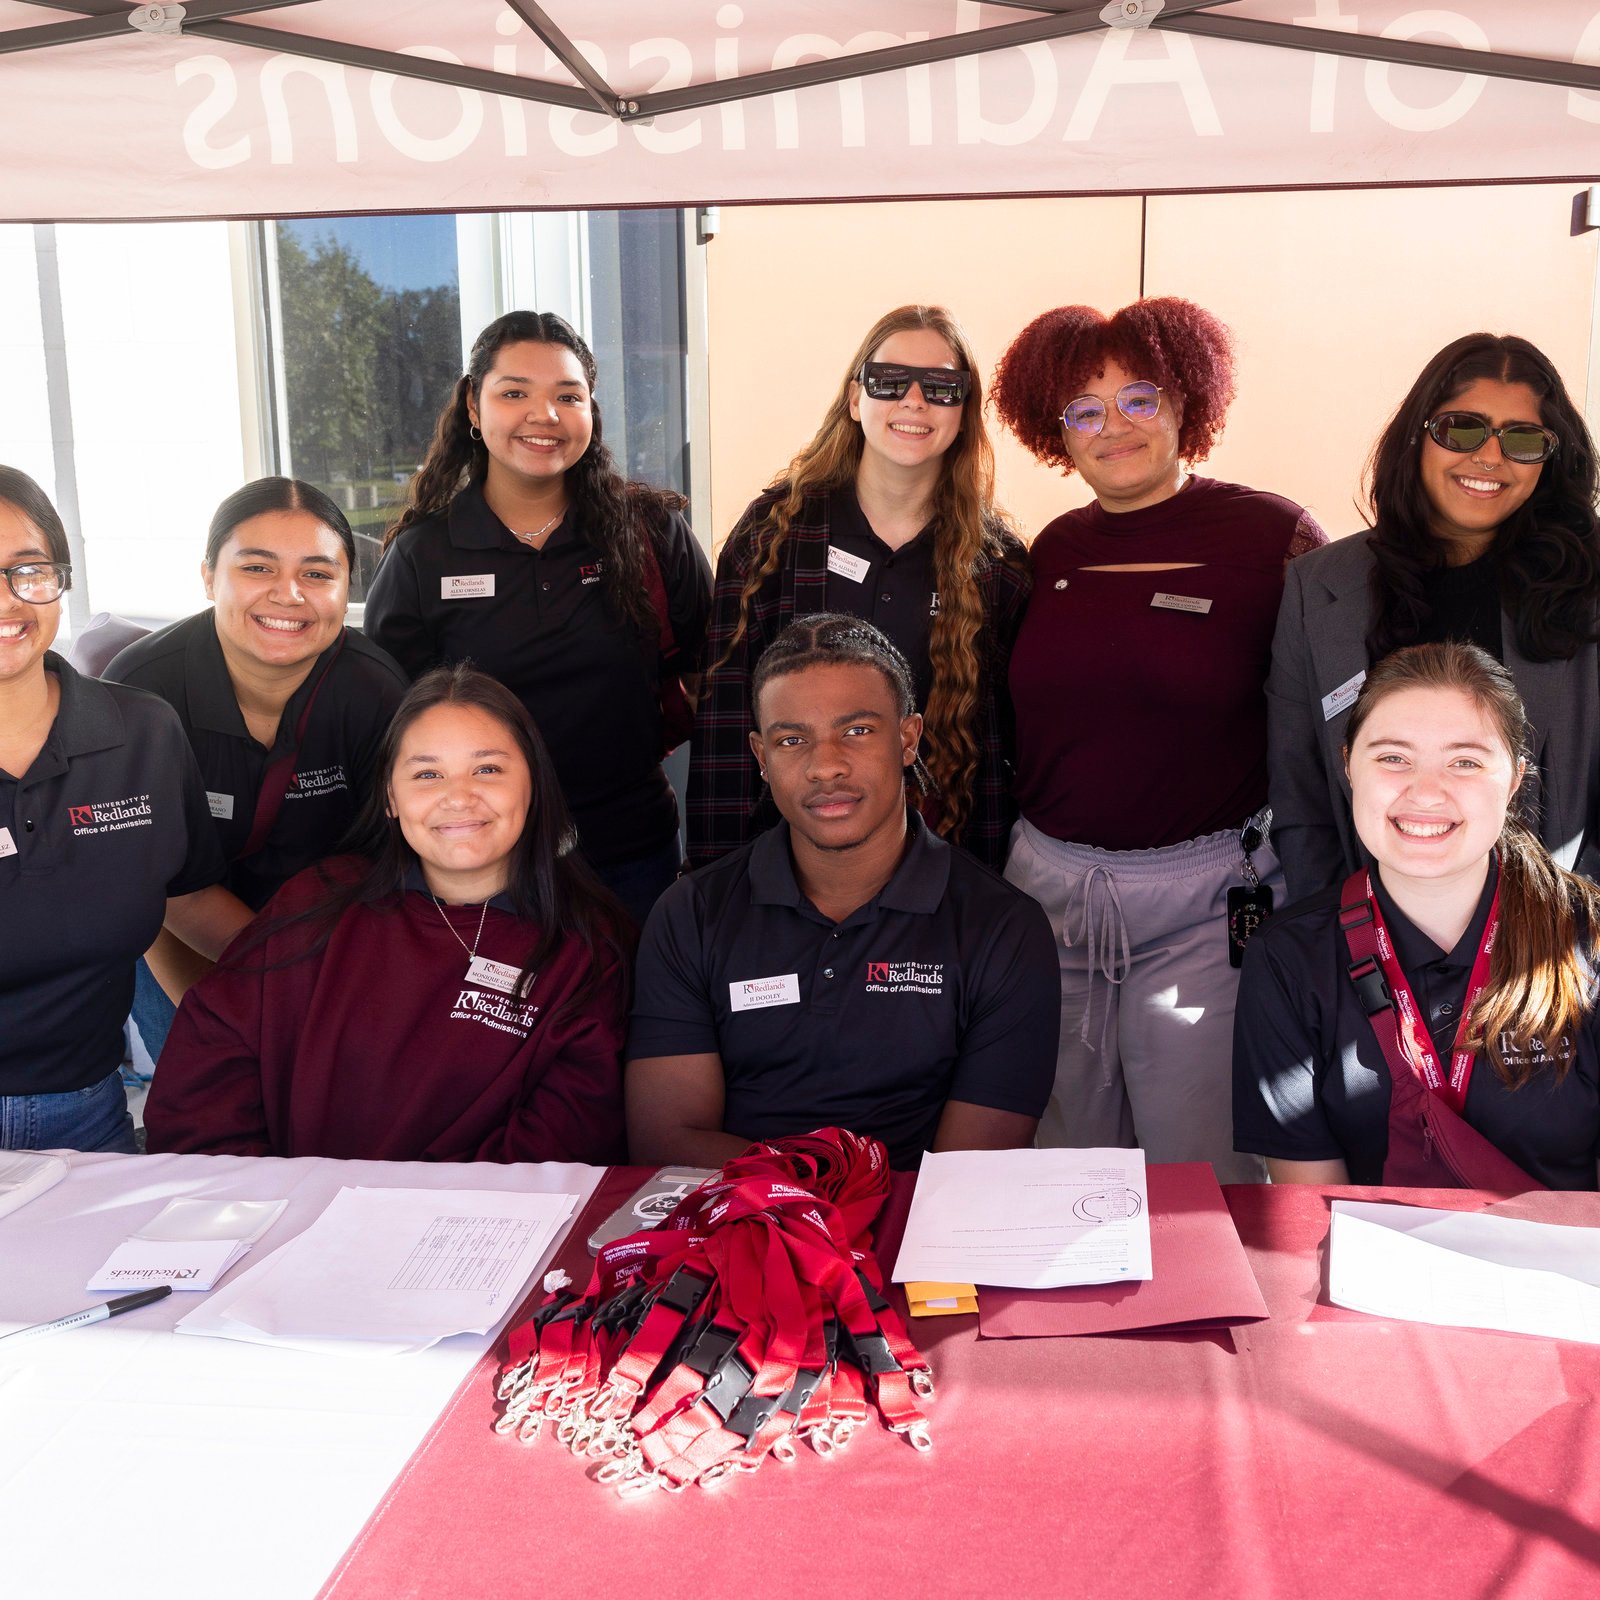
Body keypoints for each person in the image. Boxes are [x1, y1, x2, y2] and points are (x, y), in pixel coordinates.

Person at [990, 297, 1327, 1181]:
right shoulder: (1053, 550)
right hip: (1049, 901)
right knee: (1061, 1165)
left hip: (1207, 909)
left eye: (1140, 398)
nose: (1115, 428)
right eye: (1085, 411)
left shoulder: (1272, 537)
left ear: (1187, 400)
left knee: (1201, 1167)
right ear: (1055, 432)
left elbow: (1332, 720)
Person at [144, 665, 629, 1164]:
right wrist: (260, 1200)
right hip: (291, 1221)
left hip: (476, 1233)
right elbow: (211, 1064)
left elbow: (569, 1137)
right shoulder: (318, 904)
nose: (458, 796)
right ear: (392, 798)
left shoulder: (588, 949)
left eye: (487, 769)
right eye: (427, 774)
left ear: (533, 783)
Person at [627, 615, 1059, 1171]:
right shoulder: (690, 914)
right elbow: (668, 1140)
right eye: (791, 739)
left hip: (917, 1237)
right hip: (739, 1228)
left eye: (856, 731)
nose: (825, 766)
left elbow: (971, 1172)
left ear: (908, 740)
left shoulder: (1003, 928)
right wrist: (822, 1199)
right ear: (761, 758)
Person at [363, 311, 712, 928]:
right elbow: (392, 717)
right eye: (515, 392)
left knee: (638, 1019)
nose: (543, 415)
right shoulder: (424, 553)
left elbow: (713, 673)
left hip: (631, 852)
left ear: (591, 411)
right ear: (474, 406)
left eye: (567, 396)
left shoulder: (651, 534)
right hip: (481, 860)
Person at [1235, 643, 1599, 1190]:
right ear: (1347, 766)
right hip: (1368, 1272)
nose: (1425, 793)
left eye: (1465, 762)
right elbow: (1310, 1209)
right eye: (1392, 758)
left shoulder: (1587, 940)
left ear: (1516, 778)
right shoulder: (1287, 958)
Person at [686, 304, 1031, 873]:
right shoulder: (773, 537)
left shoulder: (997, 566)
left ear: (964, 411)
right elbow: (726, 722)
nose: (914, 401)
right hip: (787, 856)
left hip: (937, 864)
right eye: (889, 382)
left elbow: (996, 752)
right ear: (854, 399)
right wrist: (717, 884)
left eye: (943, 387)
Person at [1269, 332, 1600, 902]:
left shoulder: (1591, 583)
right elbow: (1302, 800)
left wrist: (1576, 947)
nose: (1490, 457)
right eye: (1463, 428)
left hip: (1556, 946)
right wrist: (1333, 948)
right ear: (1417, 435)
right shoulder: (1317, 586)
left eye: (1523, 439)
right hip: (1367, 945)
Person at [103, 477, 408, 1057]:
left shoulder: (376, 692)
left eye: (317, 574)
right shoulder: (143, 691)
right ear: (208, 577)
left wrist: (321, 984)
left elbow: (393, 863)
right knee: (202, 1081)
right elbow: (155, 883)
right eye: (257, 568)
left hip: (327, 938)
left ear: (348, 588)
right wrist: (231, 998)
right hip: (173, 927)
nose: (288, 595)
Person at [0, 466, 247, 1152]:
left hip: (90, 1118)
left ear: (63, 576)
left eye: (28, 569)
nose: (8, 600)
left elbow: (189, 900)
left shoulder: (139, 730)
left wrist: (343, 979)